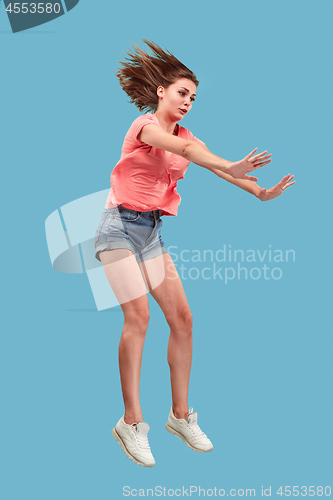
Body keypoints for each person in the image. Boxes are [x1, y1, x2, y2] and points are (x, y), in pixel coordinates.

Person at [94, 40, 295, 468]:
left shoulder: (190, 136)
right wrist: (230, 164)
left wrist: (258, 191)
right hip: (117, 228)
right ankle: (130, 423)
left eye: (194, 98)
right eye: (182, 93)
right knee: (139, 317)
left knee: (182, 319)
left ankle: (180, 416)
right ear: (162, 91)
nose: (188, 102)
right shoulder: (144, 127)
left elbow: (200, 156)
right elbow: (187, 153)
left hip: (150, 233)